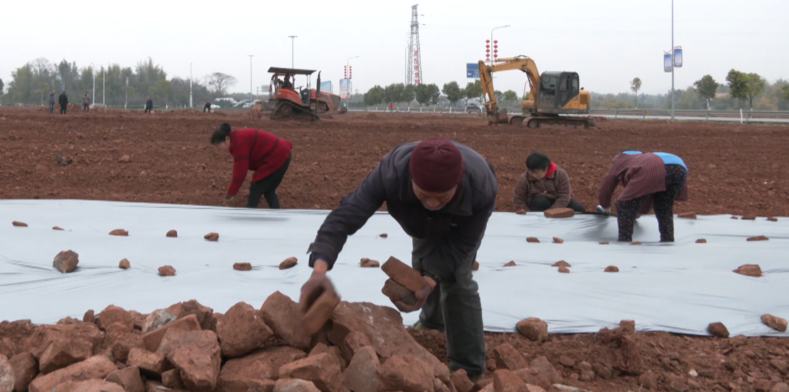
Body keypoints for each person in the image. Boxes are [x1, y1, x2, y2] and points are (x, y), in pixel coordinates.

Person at [303, 139, 496, 380]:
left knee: (456, 279)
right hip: (417, 220)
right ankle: (432, 321)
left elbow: (462, 245)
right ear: (411, 180)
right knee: (421, 268)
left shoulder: (480, 187)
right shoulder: (390, 174)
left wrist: (431, 280)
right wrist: (319, 270)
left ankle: (468, 367)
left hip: (460, 221)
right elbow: (346, 216)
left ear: (457, 185)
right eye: (425, 195)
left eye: (442, 197)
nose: (433, 204)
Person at [597, 151, 688, 242]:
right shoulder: (643, 157)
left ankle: (624, 243)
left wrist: (605, 207)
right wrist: (638, 212)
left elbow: (606, 186)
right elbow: (648, 192)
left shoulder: (620, 159)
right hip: (680, 167)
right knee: (663, 206)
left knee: (623, 204)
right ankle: (668, 241)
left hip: (654, 166)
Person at [210, 122, 292, 209]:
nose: (220, 150)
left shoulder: (238, 143)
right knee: (268, 189)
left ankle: (249, 212)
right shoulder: (237, 138)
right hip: (283, 154)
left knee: (256, 186)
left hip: (277, 156)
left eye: (219, 147)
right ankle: (276, 213)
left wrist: (230, 194)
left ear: (226, 139)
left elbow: (240, 172)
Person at [512, 151, 585, 212]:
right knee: (540, 201)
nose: (533, 175)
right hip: (536, 205)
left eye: (536, 172)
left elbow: (564, 195)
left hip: (558, 202)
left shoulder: (560, 174)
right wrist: (527, 214)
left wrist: (552, 212)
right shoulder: (524, 178)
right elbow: (518, 198)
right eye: (531, 171)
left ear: (546, 168)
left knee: (578, 208)